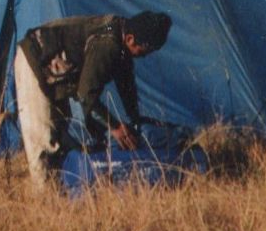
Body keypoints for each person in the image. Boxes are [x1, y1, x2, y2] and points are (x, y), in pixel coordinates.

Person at [9, 11, 171, 188]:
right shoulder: (108, 44)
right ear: (131, 39)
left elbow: (126, 87)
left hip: (58, 70)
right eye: (144, 50)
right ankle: (44, 198)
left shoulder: (121, 40)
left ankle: (62, 187)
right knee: (42, 136)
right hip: (35, 60)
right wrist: (115, 126)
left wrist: (135, 121)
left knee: (60, 131)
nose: (145, 55)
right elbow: (85, 94)